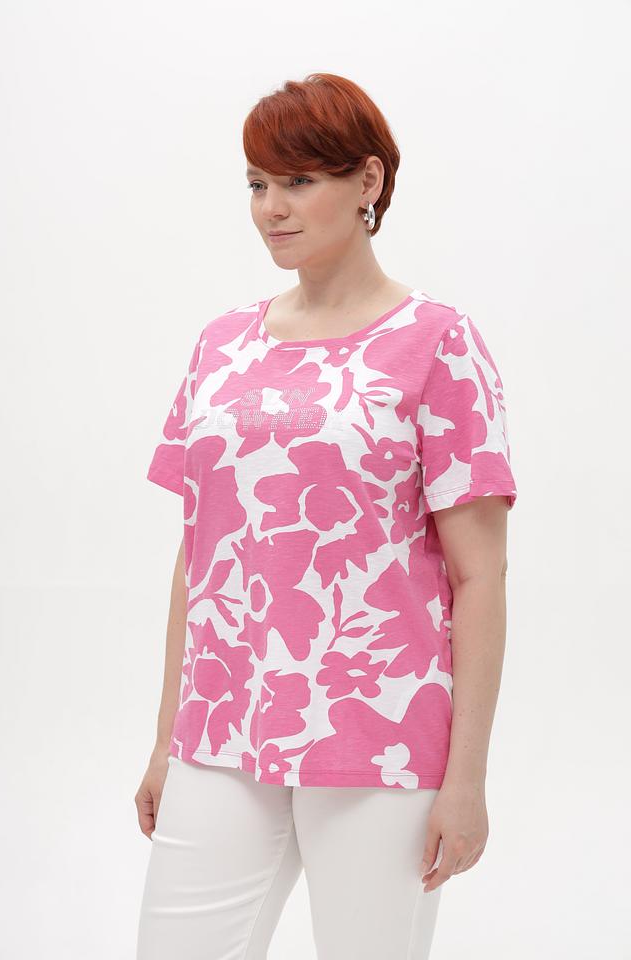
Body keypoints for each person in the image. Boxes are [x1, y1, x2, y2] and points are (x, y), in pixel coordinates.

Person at [134, 72, 518, 960]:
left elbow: (480, 576)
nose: (271, 208)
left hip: (379, 736)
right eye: (257, 184)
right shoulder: (220, 345)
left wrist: (466, 780)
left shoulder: (438, 343)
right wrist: (166, 742)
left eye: (299, 181)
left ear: (368, 181)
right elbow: (198, 557)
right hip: (220, 732)